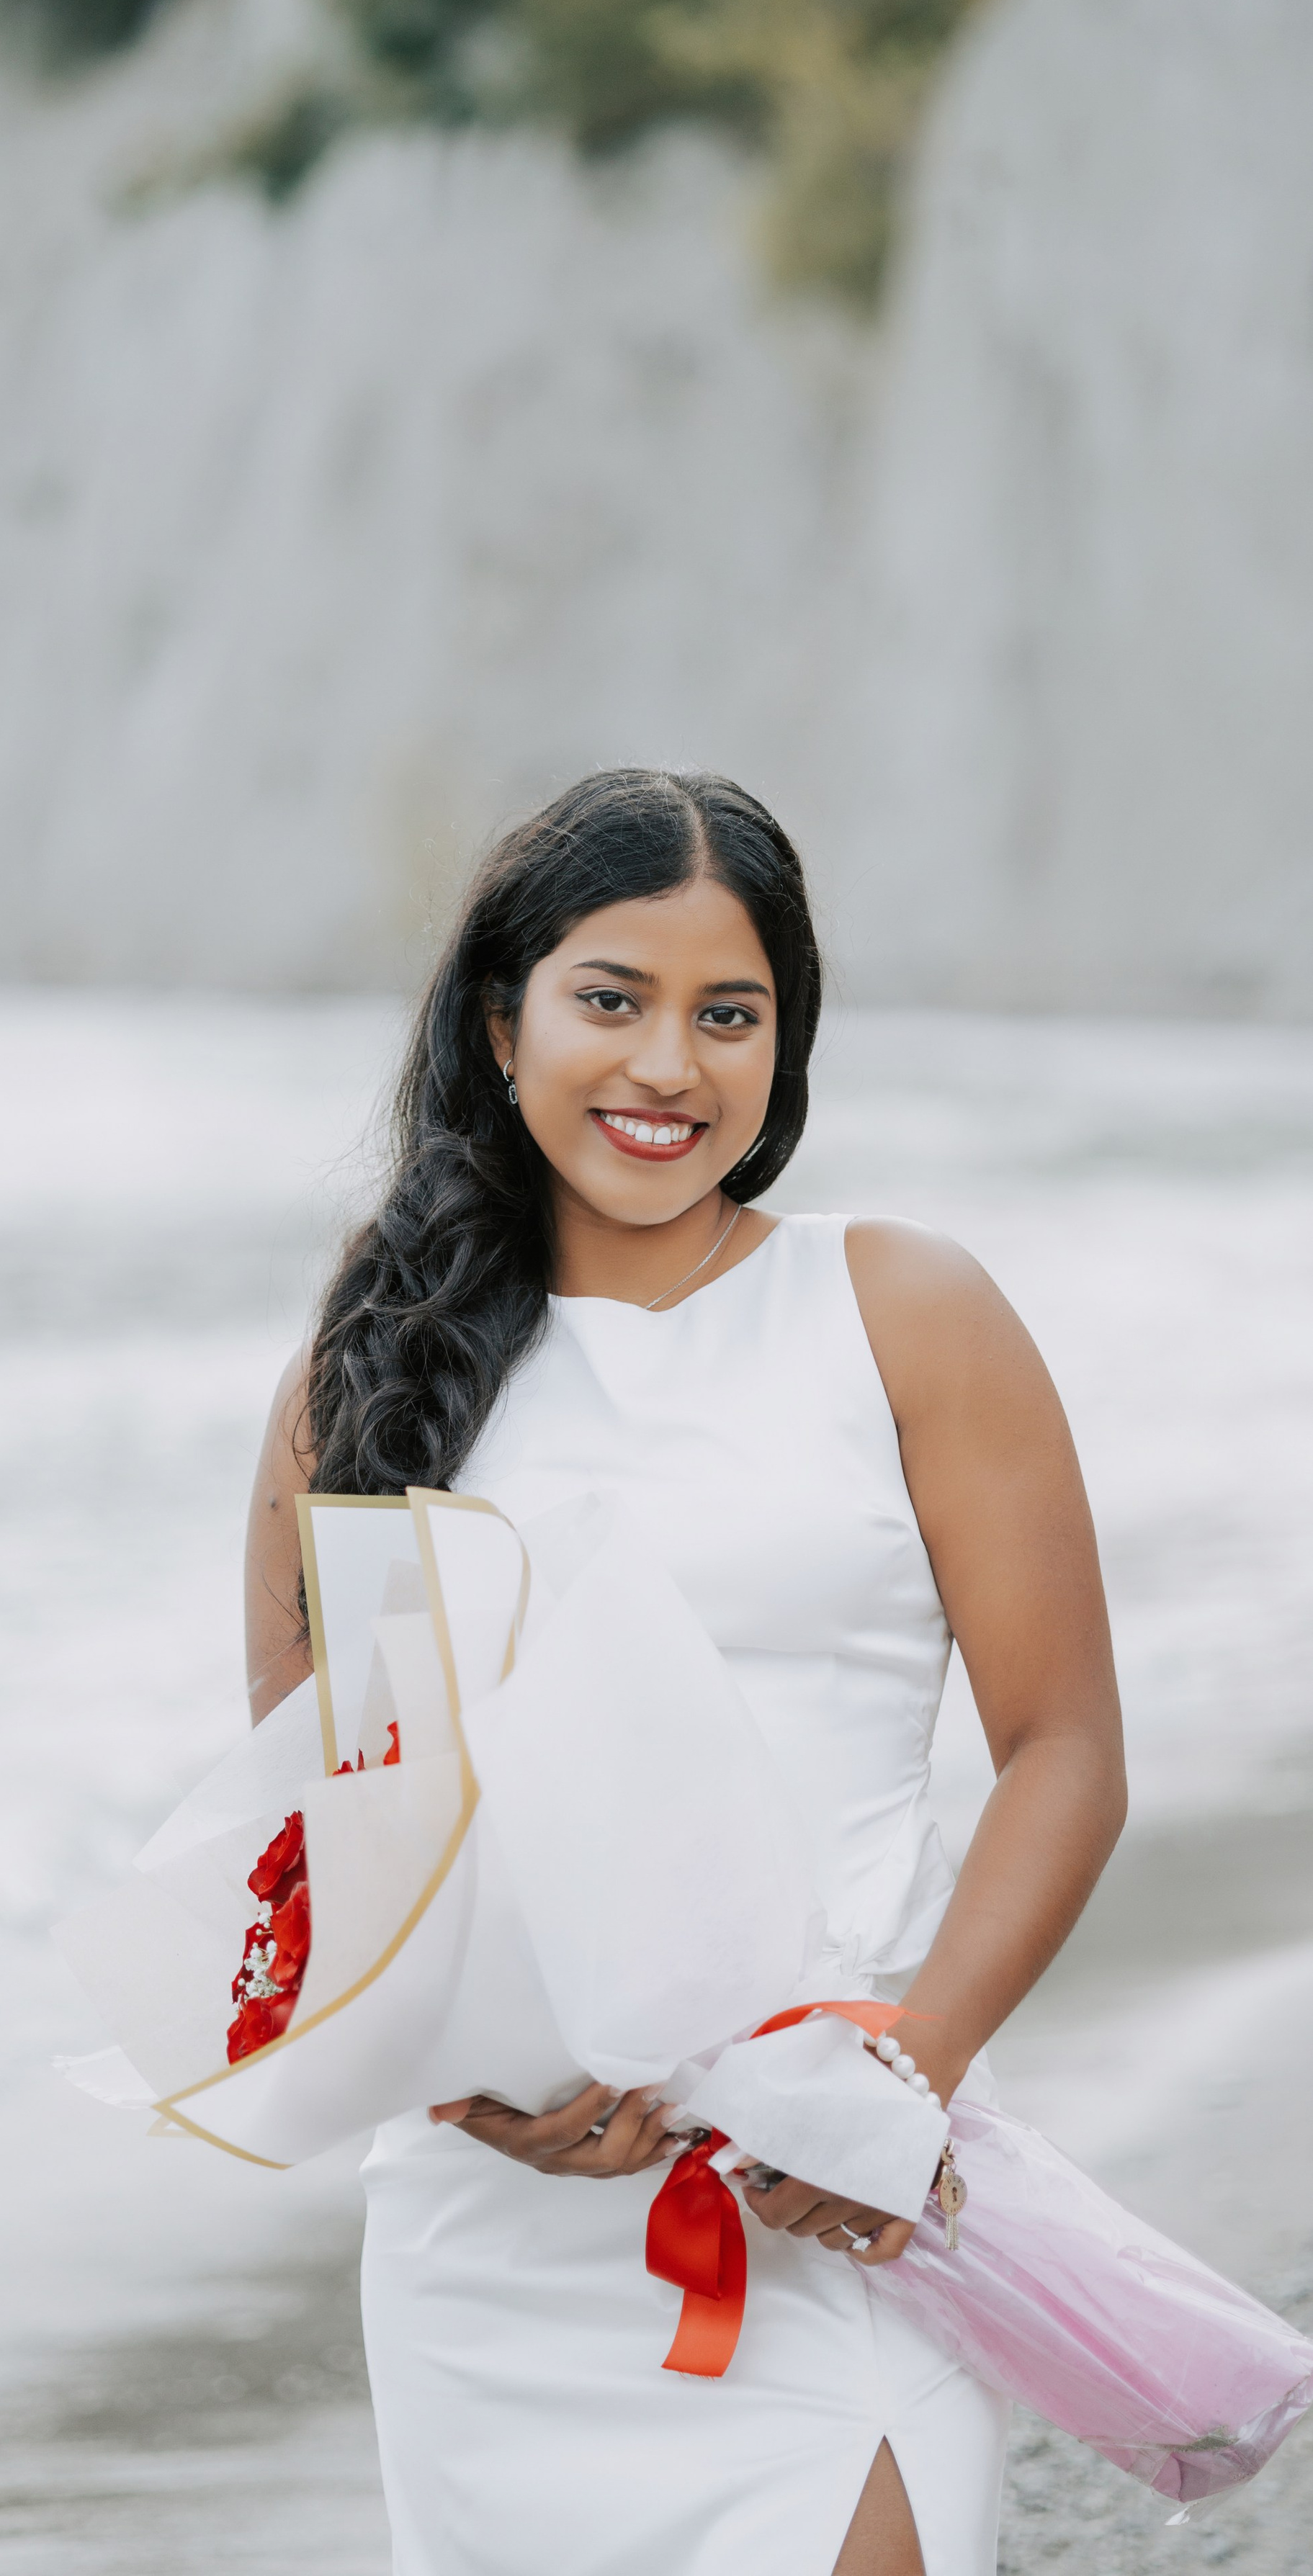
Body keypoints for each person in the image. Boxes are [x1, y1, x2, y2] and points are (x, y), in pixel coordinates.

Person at [243, 768, 1126, 2576]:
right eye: (608, 999)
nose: (667, 1065)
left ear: (785, 1049)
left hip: (824, 2195)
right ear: (501, 1027)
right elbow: (319, 1800)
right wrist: (446, 2071)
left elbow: (1063, 1749)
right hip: (483, 2236)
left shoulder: (900, 1309)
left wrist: (910, 2071)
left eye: (728, 1015)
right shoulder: (380, 1347)